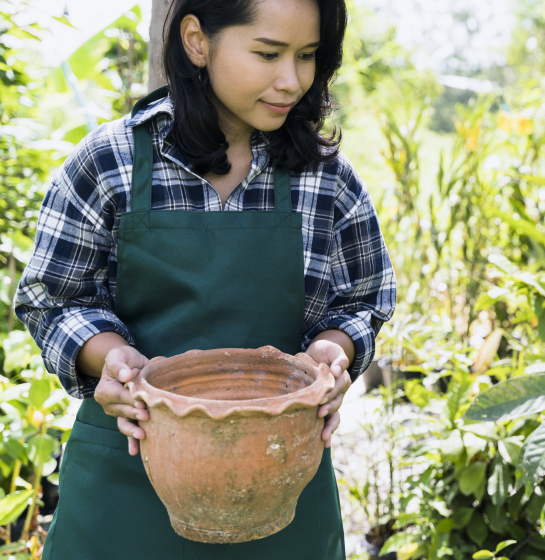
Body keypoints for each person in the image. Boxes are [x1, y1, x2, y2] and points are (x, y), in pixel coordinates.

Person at [14, 0, 396, 557]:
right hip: (124, 483)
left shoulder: (324, 177)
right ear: (197, 41)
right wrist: (112, 356)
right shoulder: (109, 162)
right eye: (268, 53)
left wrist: (329, 354)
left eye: (307, 56)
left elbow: (362, 301)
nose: (291, 80)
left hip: (280, 477)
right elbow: (52, 297)